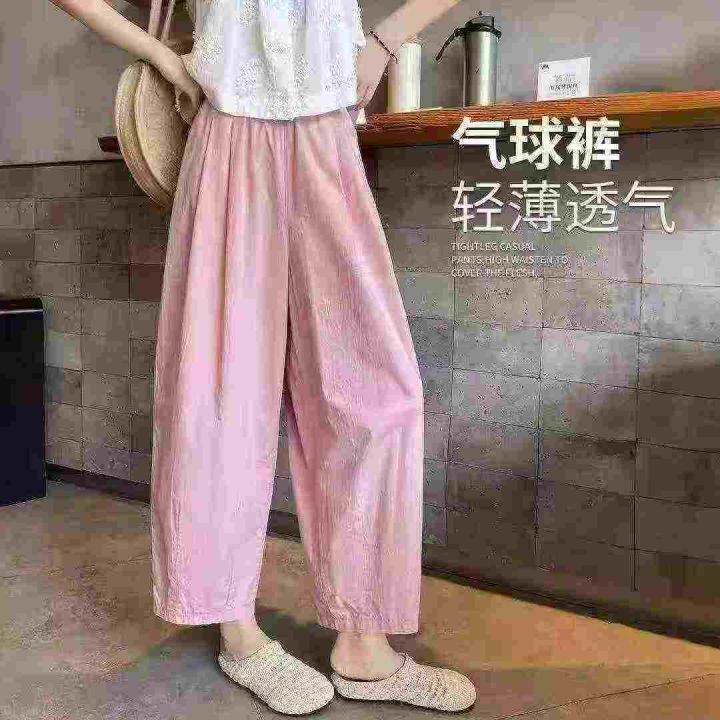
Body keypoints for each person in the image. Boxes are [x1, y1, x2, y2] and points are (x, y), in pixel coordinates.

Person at [50, 0, 475, 714]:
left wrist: (386, 39)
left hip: (328, 132)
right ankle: (238, 633)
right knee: (219, 395)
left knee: (378, 394)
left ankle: (364, 643)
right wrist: (160, 56)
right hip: (228, 132)